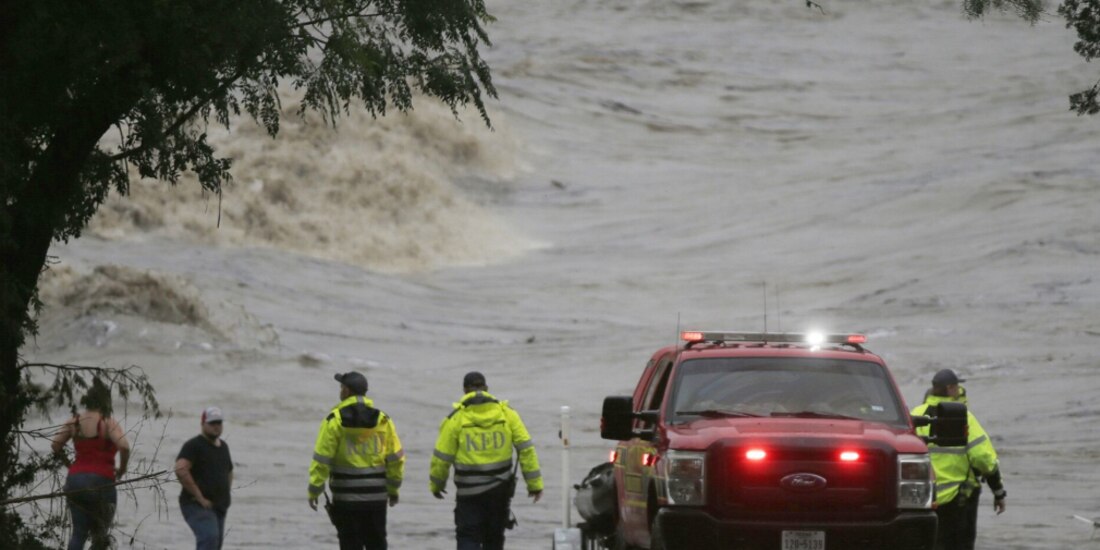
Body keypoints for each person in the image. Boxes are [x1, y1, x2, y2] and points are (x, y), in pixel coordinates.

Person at [430, 371, 543, 550]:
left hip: (469, 494)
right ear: (487, 388)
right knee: (494, 538)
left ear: (464, 390)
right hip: (499, 491)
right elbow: (526, 449)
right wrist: (534, 484)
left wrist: (437, 485)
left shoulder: (455, 419)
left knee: (468, 536)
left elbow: (441, 458)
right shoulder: (507, 414)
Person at [308, 371, 404, 550]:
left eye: (341, 387)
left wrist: (314, 490)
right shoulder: (383, 420)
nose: (340, 390)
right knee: (377, 543)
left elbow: (322, 460)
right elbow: (396, 459)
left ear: (346, 391)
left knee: (350, 544)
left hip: (346, 498)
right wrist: (393, 490)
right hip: (376, 497)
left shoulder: (334, 420)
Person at [911, 369, 1006, 550]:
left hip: (921, 500)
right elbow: (983, 458)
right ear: (951, 389)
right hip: (958, 502)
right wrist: (998, 491)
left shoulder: (915, 414)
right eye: (957, 386)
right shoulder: (964, 417)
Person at [51, 378, 131, 550]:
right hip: (101, 482)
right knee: (100, 536)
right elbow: (124, 446)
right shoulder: (107, 422)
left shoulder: (75, 421)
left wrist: (70, 465)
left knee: (78, 533)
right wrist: (122, 470)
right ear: (105, 402)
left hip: (75, 481)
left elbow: (55, 444)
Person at [176, 406, 234, 550]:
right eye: (212, 423)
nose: (216, 426)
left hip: (219, 506)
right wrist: (199, 496)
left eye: (219, 423)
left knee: (215, 544)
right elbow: (180, 469)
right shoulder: (194, 445)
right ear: (203, 424)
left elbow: (229, 471)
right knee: (209, 538)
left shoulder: (224, 447)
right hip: (196, 505)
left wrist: (225, 494)